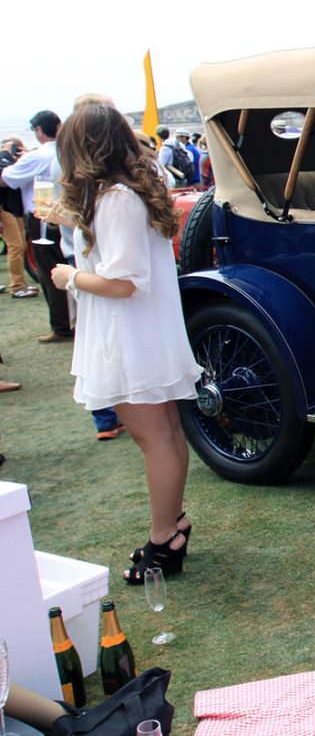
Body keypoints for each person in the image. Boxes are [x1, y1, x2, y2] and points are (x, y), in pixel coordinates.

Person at [47, 101, 202, 583]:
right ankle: (171, 526)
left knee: (155, 438)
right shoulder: (133, 190)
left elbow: (122, 282)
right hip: (144, 330)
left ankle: (163, 538)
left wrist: (70, 276)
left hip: (129, 332)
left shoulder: (115, 199)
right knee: (167, 436)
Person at [2, 110, 72, 339]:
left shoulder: (36, 156)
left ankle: (60, 327)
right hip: (70, 217)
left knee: (50, 273)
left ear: (39, 131)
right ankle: (77, 322)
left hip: (44, 218)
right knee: (72, 267)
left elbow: (6, 179)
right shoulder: (67, 151)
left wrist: (5, 155)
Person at [0, 135, 34, 296]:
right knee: (16, 246)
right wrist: (5, 154)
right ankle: (17, 286)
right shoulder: (3, 161)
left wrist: (26, 155)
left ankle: (19, 284)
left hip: (13, 209)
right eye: (14, 147)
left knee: (20, 245)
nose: (16, 150)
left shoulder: (18, 163)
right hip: (5, 210)